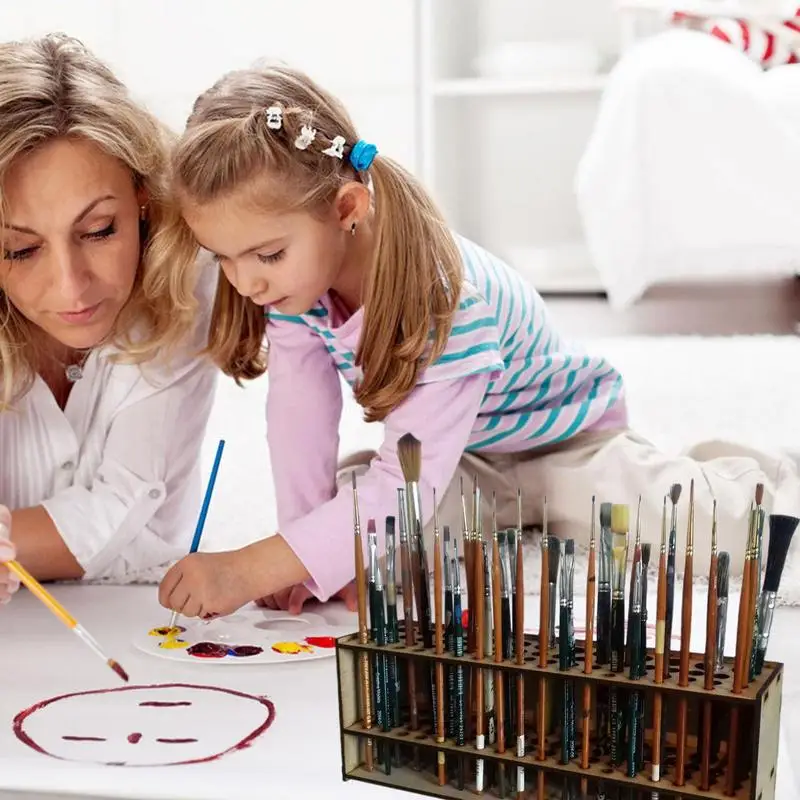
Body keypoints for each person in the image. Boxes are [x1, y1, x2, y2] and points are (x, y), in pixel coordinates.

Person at [157, 62, 800, 620]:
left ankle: (758, 479)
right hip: (461, 460)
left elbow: (402, 493)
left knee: (682, 525)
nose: (245, 283)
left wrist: (249, 569)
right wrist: (293, 557)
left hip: (563, 444)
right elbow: (300, 425)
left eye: (265, 254)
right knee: (358, 515)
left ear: (348, 209)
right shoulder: (293, 286)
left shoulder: (440, 297)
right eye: (226, 259)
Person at [0, 33, 217, 600]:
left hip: (142, 613)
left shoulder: (186, 272)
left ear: (143, 198)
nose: (72, 286)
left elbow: (124, 502)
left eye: (98, 232)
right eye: (20, 250)